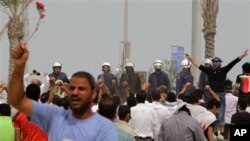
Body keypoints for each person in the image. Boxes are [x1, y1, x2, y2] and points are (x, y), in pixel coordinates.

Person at [8, 43, 117, 141]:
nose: (75, 92)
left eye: (81, 89)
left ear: (93, 93)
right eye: (72, 88)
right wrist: (19, 67)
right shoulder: (55, 116)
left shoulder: (104, 127)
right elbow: (17, 101)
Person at [186, 49, 248, 124]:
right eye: (214, 62)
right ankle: (215, 131)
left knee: (219, 114)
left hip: (218, 94)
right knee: (214, 114)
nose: (214, 63)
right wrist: (190, 58)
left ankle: (219, 131)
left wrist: (242, 55)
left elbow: (233, 62)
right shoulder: (210, 71)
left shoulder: (221, 70)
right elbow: (198, 65)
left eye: (215, 62)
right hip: (212, 94)